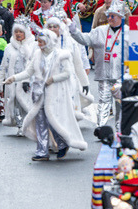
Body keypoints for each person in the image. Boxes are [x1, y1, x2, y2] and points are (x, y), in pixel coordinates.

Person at [8, 31, 87, 162]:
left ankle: (62, 144)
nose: (39, 44)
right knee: (40, 121)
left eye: (41, 42)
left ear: (48, 41)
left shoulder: (61, 55)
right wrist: (14, 78)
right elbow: (29, 71)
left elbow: (67, 73)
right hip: (39, 93)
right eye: (38, 41)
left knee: (53, 120)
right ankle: (42, 151)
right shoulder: (37, 54)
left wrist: (53, 79)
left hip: (55, 94)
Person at [69, 2, 127, 127]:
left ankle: (120, 129)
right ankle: (101, 128)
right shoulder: (99, 31)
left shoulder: (129, 32)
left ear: (121, 17)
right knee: (104, 101)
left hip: (122, 75)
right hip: (104, 73)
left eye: (113, 16)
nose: (110, 18)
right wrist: (74, 31)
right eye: (109, 15)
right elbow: (85, 39)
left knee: (121, 102)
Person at [0, 23, 36, 131]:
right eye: (16, 31)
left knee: (28, 104)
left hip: (29, 81)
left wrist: (27, 80)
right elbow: (4, 65)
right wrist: (0, 82)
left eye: (21, 31)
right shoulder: (9, 47)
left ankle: (30, 125)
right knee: (15, 104)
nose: (18, 34)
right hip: (12, 81)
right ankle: (20, 126)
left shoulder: (33, 45)